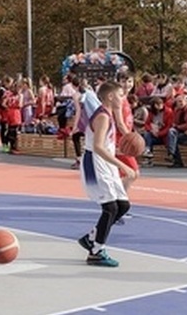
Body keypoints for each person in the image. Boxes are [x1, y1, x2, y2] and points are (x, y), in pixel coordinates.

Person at [77, 80, 134, 267]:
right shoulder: (103, 117)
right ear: (110, 96)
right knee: (110, 208)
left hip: (105, 163)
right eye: (120, 95)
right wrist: (123, 166)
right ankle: (96, 251)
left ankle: (92, 237)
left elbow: (106, 146)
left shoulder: (108, 114)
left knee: (123, 205)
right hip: (95, 162)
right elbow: (98, 147)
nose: (123, 98)